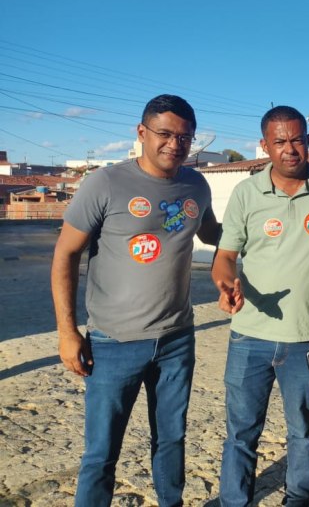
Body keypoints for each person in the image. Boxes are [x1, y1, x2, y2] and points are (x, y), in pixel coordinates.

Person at [51, 94, 221, 507]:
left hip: (177, 339)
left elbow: (215, 235)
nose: (174, 144)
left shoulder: (196, 184)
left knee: (171, 440)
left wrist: (264, 229)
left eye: (185, 137)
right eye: (164, 133)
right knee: (100, 452)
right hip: (113, 343)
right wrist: (67, 331)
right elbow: (65, 254)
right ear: (141, 133)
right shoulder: (105, 183)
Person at [212, 105, 309, 507]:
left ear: (307, 142)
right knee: (241, 433)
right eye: (279, 141)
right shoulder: (247, 192)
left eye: (296, 139)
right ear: (265, 145)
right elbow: (225, 256)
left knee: (303, 431)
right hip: (249, 337)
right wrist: (225, 283)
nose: (289, 149)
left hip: (305, 338)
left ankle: (298, 499)